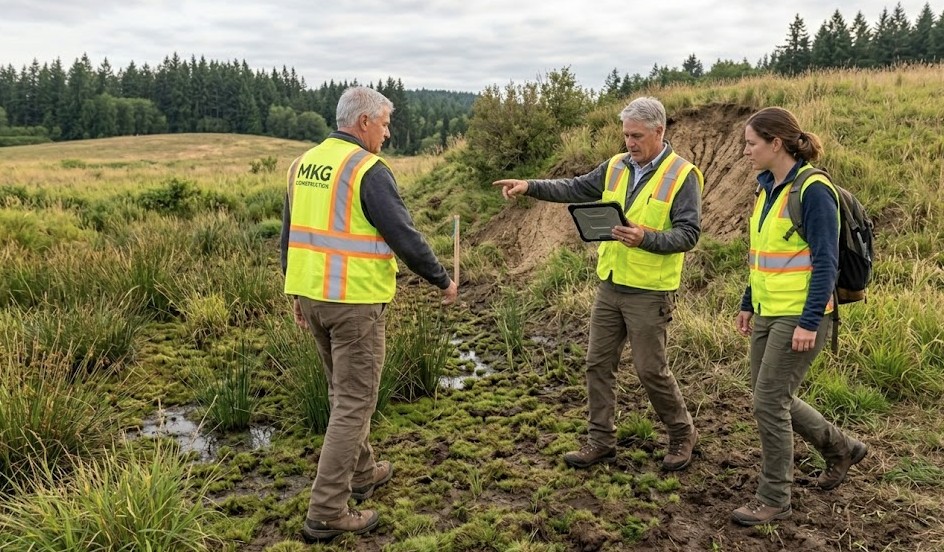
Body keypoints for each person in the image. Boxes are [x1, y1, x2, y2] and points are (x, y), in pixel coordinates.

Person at [280, 86, 458, 542]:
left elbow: (290, 234)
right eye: (384, 124)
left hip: (314, 298)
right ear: (363, 123)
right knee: (355, 402)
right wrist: (441, 279)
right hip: (353, 302)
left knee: (343, 394)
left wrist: (295, 292)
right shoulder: (366, 169)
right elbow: (404, 235)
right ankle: (326, 510)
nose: (387, 133)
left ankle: (361, 472)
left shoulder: (303, 164)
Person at [493, 96, 703, 472]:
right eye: (626, 135)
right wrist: (529, 186)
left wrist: (645, 237)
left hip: (649, 290)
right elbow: (574, 188)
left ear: (659, 131)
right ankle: (600, 440)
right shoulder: (616, 166)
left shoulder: (682, 175)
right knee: (597, 364)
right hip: (610, 284)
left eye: (637, 136)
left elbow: (689, 234)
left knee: (650, 370)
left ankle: (682, 433)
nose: (630, 143)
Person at [732, 106, 867, 526]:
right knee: (771, 397)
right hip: (768, 310)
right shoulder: (767, 188)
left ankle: (775, 497)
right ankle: (841, 447)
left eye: (751, 144)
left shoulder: (813, 190)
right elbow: (762, 254)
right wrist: (748, 301)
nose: (745, 151)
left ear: (776, 144)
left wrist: (809, 322)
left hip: (801, 314)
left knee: (769, 403)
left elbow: (826, 263)